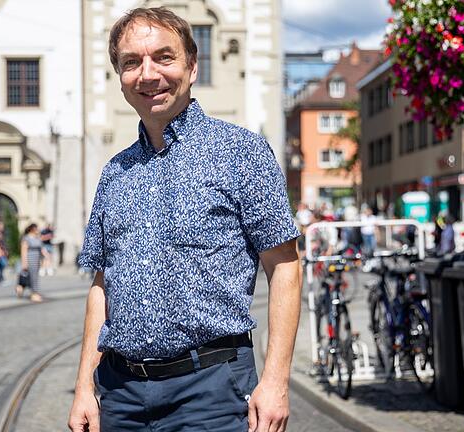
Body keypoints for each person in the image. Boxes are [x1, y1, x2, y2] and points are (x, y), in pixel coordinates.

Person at [68, 8, 302, 432]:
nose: (148, 74)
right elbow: (101, 286)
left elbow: (284, 266)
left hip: (211, 392)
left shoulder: (241, 152)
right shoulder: (115, 173)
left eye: (163, 57)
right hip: (121, 396)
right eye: (132, 63)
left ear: (192, 66)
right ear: (119, 77)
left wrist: (276, 381)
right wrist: (85, 385)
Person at [17, 223, 44, 303]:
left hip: (36, 260)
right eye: (37, 229)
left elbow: (41, 249)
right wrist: (24, 263)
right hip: (30, 259)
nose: (38, 230)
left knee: (33, 276)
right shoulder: (26, 238)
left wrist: (42, 259)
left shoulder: (37, 238)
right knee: (32, 277)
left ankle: (20, 287)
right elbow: (24, 251)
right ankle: (34, 294)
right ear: (32, 229)